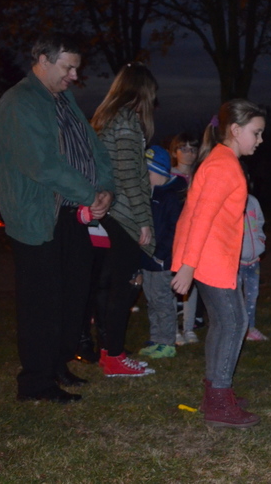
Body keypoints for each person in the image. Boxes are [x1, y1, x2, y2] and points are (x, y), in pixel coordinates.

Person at [0, 33, 115, 403]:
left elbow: (94, 149)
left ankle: (57, 365)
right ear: (42, 59)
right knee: (41, 302)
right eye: (68, 67)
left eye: (76, 67)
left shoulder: (63, 100)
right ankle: (36, 383)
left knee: (72, 296)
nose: (74, 75)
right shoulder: (20, 102)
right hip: (37, 218)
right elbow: (41, 163)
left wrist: (106, 188)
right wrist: (89, 194)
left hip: (72, 214)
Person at [171, 99, 266, 429]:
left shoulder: (221, 161)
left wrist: (188, 263)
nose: (260, 140)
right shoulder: (223, 166)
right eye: (256, 133)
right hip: (209, 258)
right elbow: (201, 218)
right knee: (235, 323)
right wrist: (188, 265)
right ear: (235, 130)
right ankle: (219, 401)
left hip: (210, 257)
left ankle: (215, 391)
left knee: (224, 324)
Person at [91, 61, 158, 377]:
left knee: (111, 286)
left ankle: (108, 352)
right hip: (124, 217)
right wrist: (144, 220)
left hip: (109, 214)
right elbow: (130, 175)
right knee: (126, 287)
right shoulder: (128, 122)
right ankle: (114, 356)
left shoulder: (106, 119)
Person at [139, 146, 187, 358]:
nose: (145, 177)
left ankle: (167, 341)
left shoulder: (169, 198)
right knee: (152, 301)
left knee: (163, 301)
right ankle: (156, 338)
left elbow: (173, 230)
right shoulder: (150, 195)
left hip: (162, 260)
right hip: (148, 259)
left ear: (160, 172)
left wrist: (161, 254)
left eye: (148, 173)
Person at [169, 130, 203, 346]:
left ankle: (189, 327)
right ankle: (172, 329)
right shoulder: (168, 176)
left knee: (192, 285)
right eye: (183, 148)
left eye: (193, 149)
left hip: (195, 237)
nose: (188, 153)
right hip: (173, 237)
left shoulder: (200, 177)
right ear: (174, 151)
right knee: (173, 284)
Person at [240, 192, 268, 342]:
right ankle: (237, 328)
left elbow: (259, 221)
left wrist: (260, 240)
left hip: (254, 259)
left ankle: (250, 327)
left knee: (251, 295)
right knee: (236, 296)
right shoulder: (229, 200)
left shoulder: (252, 200)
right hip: (236, 262)